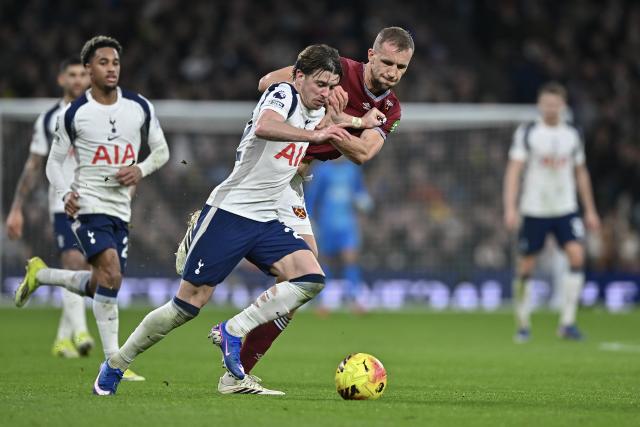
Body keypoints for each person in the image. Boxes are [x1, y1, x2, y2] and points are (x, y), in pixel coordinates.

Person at [92, 44, 352, 396]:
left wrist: (354, 122)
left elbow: (326, 130)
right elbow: (264, 126)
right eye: (320, 84)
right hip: (231, 213)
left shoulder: (313, 109)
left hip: (265, 220)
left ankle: (233, 331)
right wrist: (317, 134)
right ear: (299, 76)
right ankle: (116, 365)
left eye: (331, 85)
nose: (326, 93)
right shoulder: (283, 95)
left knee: (310, 278)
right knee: (185, 307)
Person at [214, 26, 414, 394]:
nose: (392, 72)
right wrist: (321, 100)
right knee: (296, 275)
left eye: (401, 67)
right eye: (386, 62)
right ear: (370, 56)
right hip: (268, 168)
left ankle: (237, 368)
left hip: (294, 182)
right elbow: (265, 83)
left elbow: (365, 153)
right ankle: (233, 342)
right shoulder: (335, 69)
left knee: (304, 280)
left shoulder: (390, 108)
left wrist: (335, 125)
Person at [15, 35, 170, 381]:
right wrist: (65, 190)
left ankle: (42, 275)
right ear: (88, 69)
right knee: (111, 272)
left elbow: (162, 152)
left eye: (115, 62)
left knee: (102, 281)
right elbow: (53, 164)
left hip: (121, 207)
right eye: (103, 62)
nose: (111, 68)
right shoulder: (73, 114)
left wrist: (140, 169)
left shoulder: (139, 106)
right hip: (87, 203)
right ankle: (114, 362)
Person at [5, 57, 95, 358]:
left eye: (83, 74)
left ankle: (62, 338)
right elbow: (33, 165)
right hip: (63, 203)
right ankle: (82, 333)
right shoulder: (48, 119)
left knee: (89, 270)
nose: (78, 79)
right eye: (72, 74)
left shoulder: (100, 114)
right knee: (72, 262)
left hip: (98, 202)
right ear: (61, 80)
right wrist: (16, 207)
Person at [503, 82, 600, 342]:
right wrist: (510, 207)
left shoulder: (573, 134)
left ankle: (567, 322)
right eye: (546, 103)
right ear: (539, 104)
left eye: (554, 104)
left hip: (565, 208)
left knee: (577, 256)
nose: (550, 108)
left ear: (563, 106)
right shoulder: (528, 132)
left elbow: (581, 172)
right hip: (534, 208)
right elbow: (514, 170)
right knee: (526, 266)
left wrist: (590, 210)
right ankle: (523, 323)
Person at [304, 157, 373, 312]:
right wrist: (309, 220)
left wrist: (364, 201)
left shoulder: (352, 169)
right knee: (324, 262)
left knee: (351, 259)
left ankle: (355, 300)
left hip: (348, 224)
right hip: (326, 223)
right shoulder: (322, 170)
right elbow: (312, 197)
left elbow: (359, 191)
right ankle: (322, 302)